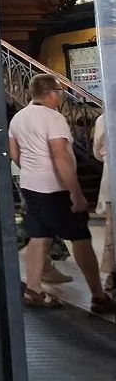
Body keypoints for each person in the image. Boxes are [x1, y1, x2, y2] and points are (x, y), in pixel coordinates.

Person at [8, 74, 114, 312]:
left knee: (38, 236)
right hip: (55, 188)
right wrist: (75, 193)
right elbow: (60, 155)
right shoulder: (53, 118)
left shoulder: (18, 117)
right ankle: (98, 296)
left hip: (31, 186)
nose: (61, 96)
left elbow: (14, 152)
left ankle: (33, 289)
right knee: (81, 238)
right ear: (51, 93)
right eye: (60, 91)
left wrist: (32, 170)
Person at [93, 114, 114, 294]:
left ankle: (112, 275)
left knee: (112, 231)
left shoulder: (103, 118)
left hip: (111, 178)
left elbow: (97, 151)